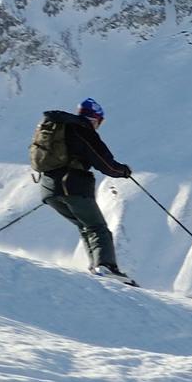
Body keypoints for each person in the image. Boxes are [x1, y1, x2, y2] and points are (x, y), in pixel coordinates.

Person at [31, 96, 136, 281]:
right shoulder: (83, 130)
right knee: (97, 227)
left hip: (49, 190)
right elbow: (105, 164)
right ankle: (106, 267)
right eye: (99, 122)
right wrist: (124, 171)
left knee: (85, 225)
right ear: (95, 118)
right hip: (73, 187)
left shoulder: (57, 129)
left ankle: (97, 266)